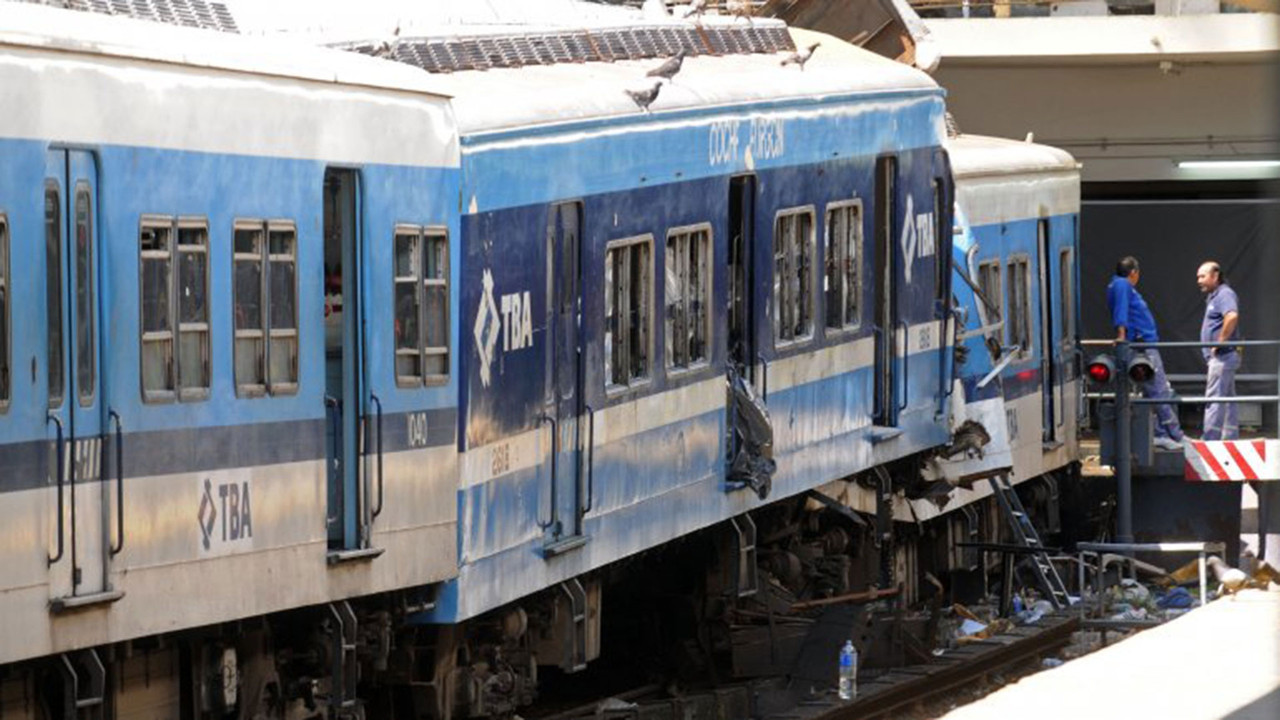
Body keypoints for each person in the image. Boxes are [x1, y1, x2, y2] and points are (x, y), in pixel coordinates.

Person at [1107, 256, 1184, 449]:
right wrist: (1122, 334)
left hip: (1142, 344)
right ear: (1134, 273)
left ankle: (1161, 433)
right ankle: (1175, 435)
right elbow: (1121, 311)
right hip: (1141, 345)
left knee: (1154, 390)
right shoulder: (1123, 285)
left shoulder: (1116, 285)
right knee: (1159, 389)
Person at [1197, 261, 1240, 440]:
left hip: (1223, 356)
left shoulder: (1224, 294)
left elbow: (1232, 315)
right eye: (1198, 277)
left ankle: (1210, 439)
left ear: (1215, 276)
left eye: (1202, 276)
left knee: (1214, 397)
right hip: (1223, 356)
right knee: (1227, 398)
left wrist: (1220, 341)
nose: (1199, 280)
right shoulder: (1215, 296)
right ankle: (1230, 437)